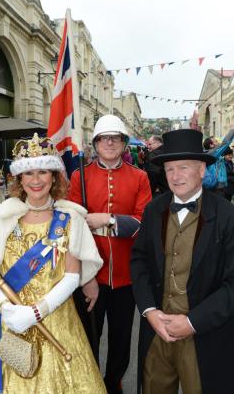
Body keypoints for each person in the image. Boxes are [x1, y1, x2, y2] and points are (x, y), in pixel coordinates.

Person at [0, 133, 107, 394]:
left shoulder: (69, 217)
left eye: (42, 172)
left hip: (55, 318)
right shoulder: (4, 215)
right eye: (28, 174)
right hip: (9, 319)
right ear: (19, 179)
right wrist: (5, 308)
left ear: (54, 177)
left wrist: (35, 312)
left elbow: (72, 277)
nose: (36, 180)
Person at [131, 129, 234, 394]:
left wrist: (192, 322)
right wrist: (149, 311)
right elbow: (139, 261)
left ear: (201, 170)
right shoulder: (154, 210)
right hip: (157, 334)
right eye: (169, 169)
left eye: (183, 168)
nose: (175, 176)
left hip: (205, 335)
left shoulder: (230, 217)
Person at [68, 114, 152, 394]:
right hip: (90, 273)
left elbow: (143, 222)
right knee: (89, 334)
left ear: (124, 143)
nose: (110, 143)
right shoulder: (80, 176)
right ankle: (90, 381)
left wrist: (108, 219)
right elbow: (71, 228)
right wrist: (84, 275)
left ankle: (113, 381)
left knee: (121, 337)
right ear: (95, 143)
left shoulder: (139, 177)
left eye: (116, 138)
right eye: (104, 138)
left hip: (126, 275)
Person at [203, 123, 234, 195]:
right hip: (216, 186)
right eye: (215, 141)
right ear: (211, 145)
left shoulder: (212, 154)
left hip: (218, 185)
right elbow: (225, 143)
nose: (218, 142)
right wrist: (233, 129)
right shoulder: (213, 153)